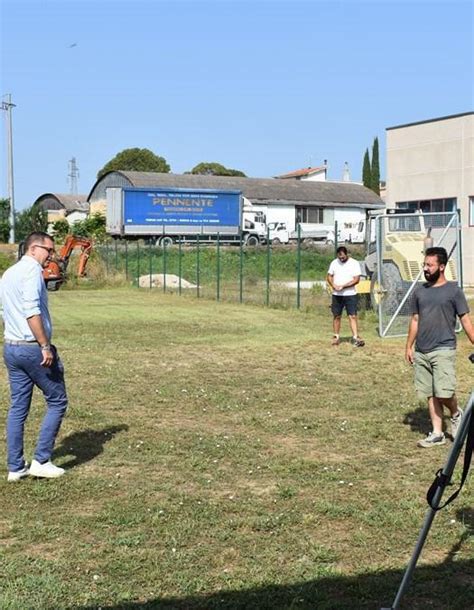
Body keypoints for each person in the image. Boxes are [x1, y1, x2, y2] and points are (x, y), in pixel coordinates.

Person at [1, 231, 68, 480]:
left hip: (11, 347)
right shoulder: (31, 272)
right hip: (31, 348)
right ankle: (41, 460)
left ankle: (15, 467)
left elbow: (3, 310)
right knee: (57, 400)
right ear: (33, 248)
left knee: (18, 407)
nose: (51, 256)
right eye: (48, 250)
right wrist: (44, 345)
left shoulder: (9, 273)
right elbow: (31, 311)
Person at [405, 246, 474, 448]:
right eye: (424, 265)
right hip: (422, 349)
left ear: (441, 267)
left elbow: (466, 321)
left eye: (430, 265)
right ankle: (437, 433)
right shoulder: (419, 292)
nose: (425, 268)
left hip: (444, 348)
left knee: (444, 392)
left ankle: (455, 413)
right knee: (430, 392)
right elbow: (415, 320)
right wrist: (409, 346)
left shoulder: (453, 291)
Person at [326, 246, 365, 347]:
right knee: (336, 316)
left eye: (343, 257)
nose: (341, 259)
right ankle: (336, 337)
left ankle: (356, 337)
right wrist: (333, 285)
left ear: (347, 254)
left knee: (352, 316)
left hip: (350, 294)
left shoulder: (354, 263)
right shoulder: (334, 263)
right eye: (339, 257)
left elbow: (356, 279)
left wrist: (343, 286)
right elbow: (329, 276)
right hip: (337, 295)